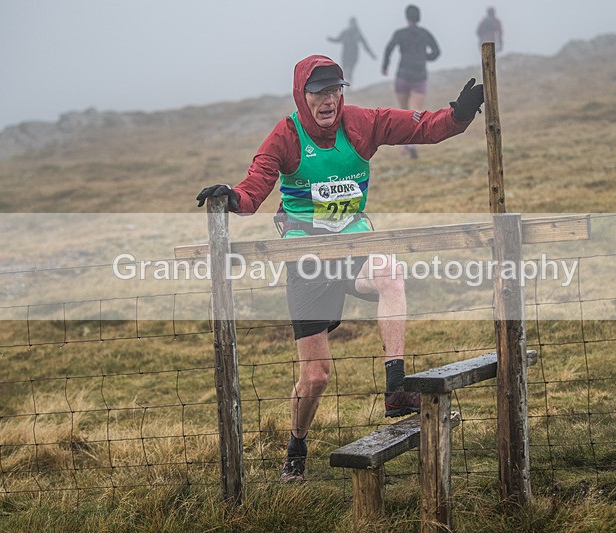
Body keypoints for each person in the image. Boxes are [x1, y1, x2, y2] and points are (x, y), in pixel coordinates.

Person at [196, 55, 484, 483]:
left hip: (354, 243)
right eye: (319, 93)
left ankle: (396, 384)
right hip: (306, 258)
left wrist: (458, 116)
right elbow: (254, 189)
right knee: (316, 376)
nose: (329, 100)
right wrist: (232, 197)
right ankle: (296, 446)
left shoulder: (362, 123)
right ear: (302, 95)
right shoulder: (286, 136)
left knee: (390, 271)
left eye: (335, 90)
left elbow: (421, 127)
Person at [381, 4, 440, 160]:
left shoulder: (400, 33)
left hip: (402, 74)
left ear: (406, 17)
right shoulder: (425, 34)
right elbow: (437, 52)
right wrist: (423, 57)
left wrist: (385, 66)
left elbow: (389, 48)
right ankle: (411, 144)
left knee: (403, 112)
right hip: (419, 75)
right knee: (415, 112)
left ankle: (405, 144)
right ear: (418, 17)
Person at [327, 17, 376, 85]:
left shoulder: (358, 34)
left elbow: (365, 45)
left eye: (354, 23)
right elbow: (338, 40)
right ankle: (344, 85)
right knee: (344, 70)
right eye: (351, 23)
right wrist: (330, 39)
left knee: (349, 71)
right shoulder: (345, 33)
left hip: (354, 56)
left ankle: (349, 85)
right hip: (345, 55)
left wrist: (372, 54)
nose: (352, 25)